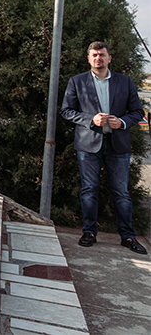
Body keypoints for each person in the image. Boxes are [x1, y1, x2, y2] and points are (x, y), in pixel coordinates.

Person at [60, 41, 147, 254]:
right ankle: (89, 233)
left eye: (102, 55)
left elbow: (138, 112)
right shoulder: (77, 81)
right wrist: (91, 119)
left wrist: (123, 122)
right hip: (88, 145)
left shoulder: (125, 82)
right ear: (89, 59)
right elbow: (66, 111)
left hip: (118, 145)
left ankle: (128, 237)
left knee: (122, 193)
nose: (98, 58)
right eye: (94, 55)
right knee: (89, 190)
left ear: (109, 58)